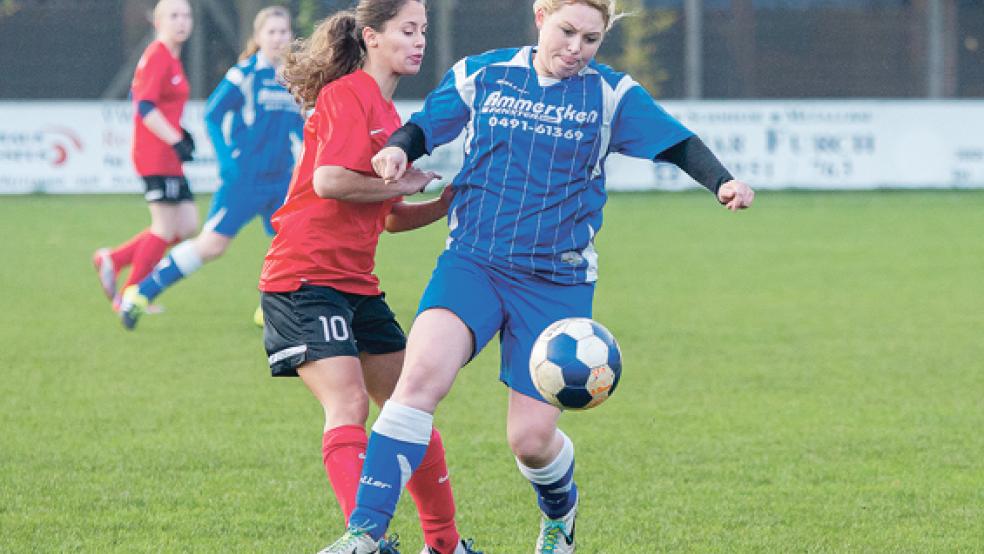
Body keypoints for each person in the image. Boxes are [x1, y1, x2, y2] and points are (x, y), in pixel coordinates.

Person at [323, 1, 756, 553]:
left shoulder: (611, 96)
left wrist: (723, 182)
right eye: (567, 31)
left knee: (529, 440)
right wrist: (394, 151)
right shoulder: (483, 74)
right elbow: (425, 126)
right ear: (540, 18)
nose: (576, 48)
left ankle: (559, 516)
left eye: (592, 39)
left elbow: (678, 143)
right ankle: (364, 533)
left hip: (556, 280)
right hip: (473, 261)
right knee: (418, 382)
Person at [255, 2, 481, 553]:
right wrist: (402, 187)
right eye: (408, 30)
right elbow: (332, 181)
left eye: (423, 30)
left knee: (410, 406)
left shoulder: (389, 116)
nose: (419, 40)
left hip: (357, 284)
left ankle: (444, 546)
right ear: (372, 37)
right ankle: (366, 540)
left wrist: (445, 202)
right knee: (349, 403)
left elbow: (387, 215)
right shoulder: (346, 95)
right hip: (302, 279)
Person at [119, 6, 304, 330]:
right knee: (211, 246)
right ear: (258, 37)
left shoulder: (292, 80)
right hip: (244, 180)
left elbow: (300, 132)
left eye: (283, 32)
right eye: (271, 32)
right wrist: (226, 161)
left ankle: (271, 308)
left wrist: (304, 165)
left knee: (295, 242)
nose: (278, 38)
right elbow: (213, 115)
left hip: (281, 182)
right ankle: (140, 293)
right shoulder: (243, 75)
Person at [93, 0, 198, 311]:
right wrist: (175, 139)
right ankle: (131, 295)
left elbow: (158, 104)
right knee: (165, 228)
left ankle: (114, 259)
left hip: (169, 156)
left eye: (187, 15)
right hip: (155, 155)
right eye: (174, 16)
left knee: (187, 225)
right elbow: (144, 106)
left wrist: (180, 136)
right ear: (158, 21)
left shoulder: (172, 58)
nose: (182, 22)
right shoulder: (157, 56)